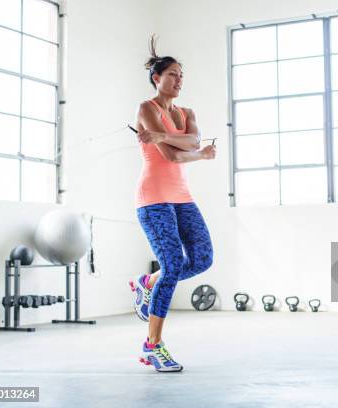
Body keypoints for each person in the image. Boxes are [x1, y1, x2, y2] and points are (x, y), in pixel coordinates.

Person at [128, 35, 215, 372]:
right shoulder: (146, 108)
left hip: (182, 198)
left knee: (203, 258)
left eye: (182, 76)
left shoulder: (186, 112)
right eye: (173, 75)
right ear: (157, 78)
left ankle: (147, 283)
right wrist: (198, 153)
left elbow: (191, 139)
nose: (179, 81)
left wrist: (164, 135)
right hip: (153, 199)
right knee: (174, 264)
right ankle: (153, 346)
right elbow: (170, 155)